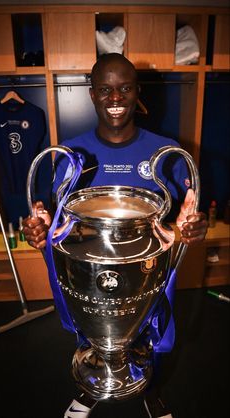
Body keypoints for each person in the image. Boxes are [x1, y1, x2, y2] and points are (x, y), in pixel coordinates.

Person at [23, 53, 208, 418]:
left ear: (138, 92)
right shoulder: (72, 153)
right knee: (90, 329)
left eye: (125, 88)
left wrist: (189, 229)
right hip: (90, 277)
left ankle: (150, 392)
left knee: (152, 336)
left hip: (146, 272)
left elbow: (178, 219)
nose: (116, 98)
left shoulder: (164, 150)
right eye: (105, 89)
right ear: (92, 94)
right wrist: (42, 231)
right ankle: (92, 388)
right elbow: (60, 224)